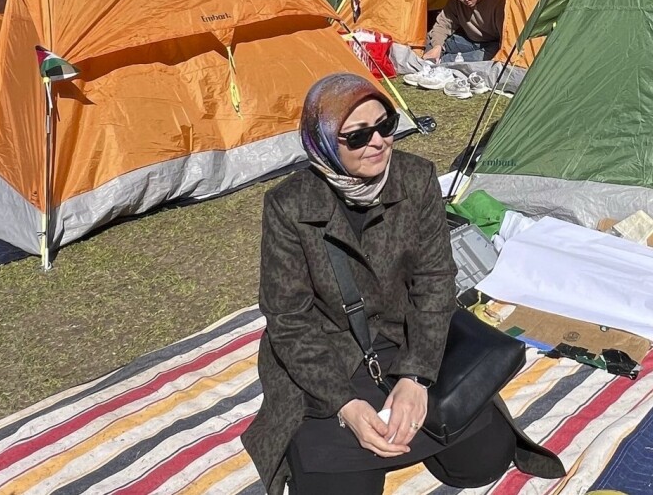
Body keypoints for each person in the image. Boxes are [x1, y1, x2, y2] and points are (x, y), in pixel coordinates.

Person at [241, 73, 562, 495]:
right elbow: (288, 319)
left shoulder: (416, 178)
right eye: (356, 137)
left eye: (385, 125)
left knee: (481, 463)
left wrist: (417, 377)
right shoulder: (289, 205)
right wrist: (346, 405)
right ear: (322, 143)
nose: (377, 142)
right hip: (330, 354)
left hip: (406, 338)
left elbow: (435, 281)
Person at [421, 0, 504, 63]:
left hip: (490, 44)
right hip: (468, 41)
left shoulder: (497, 3)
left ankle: (445, 60)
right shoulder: (456, 1)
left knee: (491, 54)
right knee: (432, 38)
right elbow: (443, 24)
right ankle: (440, 57)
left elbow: (505, 36)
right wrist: (437, 47)